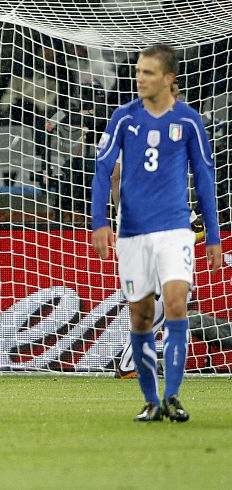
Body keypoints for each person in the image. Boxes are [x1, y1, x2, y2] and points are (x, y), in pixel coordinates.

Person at [91, 44, 222, 422]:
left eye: (148, 73)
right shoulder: (122, 117)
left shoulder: (190, 120)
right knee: (141, 315)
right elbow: (102, 171)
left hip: (175, 229)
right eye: (137, 72)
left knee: (176, 302)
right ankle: (150, 400)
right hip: (131, 232)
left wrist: (212, 236)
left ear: (168, 79)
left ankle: (174, 396)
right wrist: (99, 222)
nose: (139, 79)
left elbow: (206, 179)